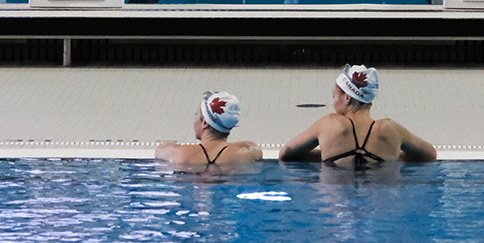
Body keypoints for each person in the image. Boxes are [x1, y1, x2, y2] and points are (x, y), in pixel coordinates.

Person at [278, 65, 437, 165]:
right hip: (381, 205)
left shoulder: (330, 124)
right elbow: (430, 155)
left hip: (337, 205)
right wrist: (394, 157)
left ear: (347, 97)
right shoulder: (390, 129)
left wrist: (328, 156)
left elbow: (286, 154)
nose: (333, 103)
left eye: (334, 97)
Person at [156, 91, 263, 165]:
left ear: (205, 123)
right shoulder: (250, 151)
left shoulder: (178, 154)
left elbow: (160, 150)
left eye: (197, 114)